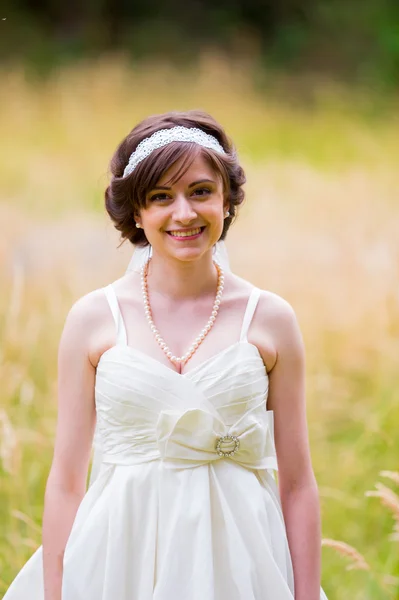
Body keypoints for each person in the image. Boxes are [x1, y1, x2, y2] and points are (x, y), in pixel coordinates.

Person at [4, 110, 329, 600]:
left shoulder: (271, 318)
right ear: (136, 212)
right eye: (160, 197)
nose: (184, 214)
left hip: (241, 564)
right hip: (119, 558)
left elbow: (298, 483)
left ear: (226, 201)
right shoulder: (93, 318)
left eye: (200, 191)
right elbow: (67, 482)